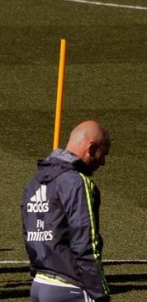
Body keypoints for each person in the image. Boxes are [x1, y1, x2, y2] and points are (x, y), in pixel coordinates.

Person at [22, 120, 111, 302]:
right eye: (103, 153)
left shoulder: (35, 182)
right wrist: (100, 293)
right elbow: (86, 242)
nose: (103, 162)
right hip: (72, 288)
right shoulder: (77, 183)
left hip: (39, 285)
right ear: (92, 148)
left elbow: (29, 233)